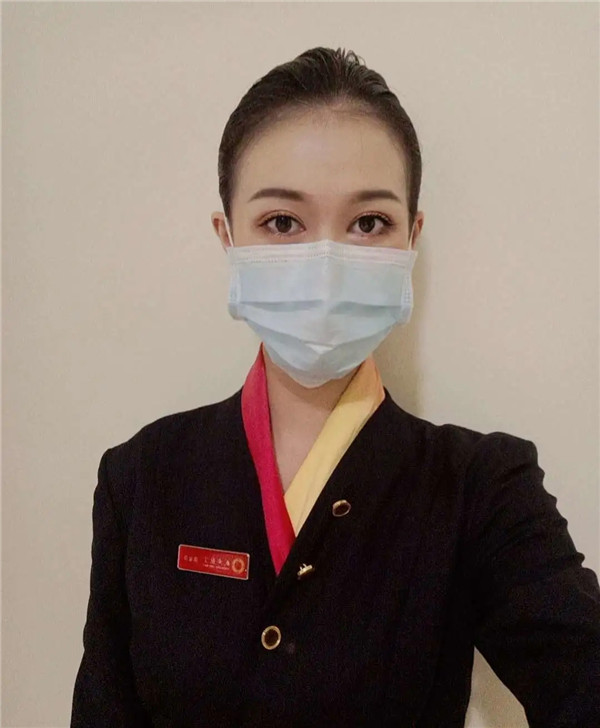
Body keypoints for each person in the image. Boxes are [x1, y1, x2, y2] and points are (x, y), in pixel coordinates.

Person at [70, 46, 600, 727]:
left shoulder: (481, 487)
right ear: (228, 237)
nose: (324, 261)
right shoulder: (142, 477)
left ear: (411, 238)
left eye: (369, 223)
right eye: (281, 222)